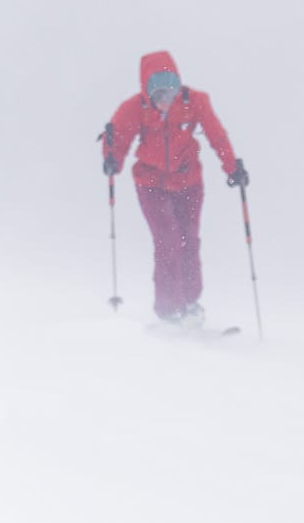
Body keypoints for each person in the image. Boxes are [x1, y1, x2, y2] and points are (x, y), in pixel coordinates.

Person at [103, 51, 247, 325]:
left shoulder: (195, 102)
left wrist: (232, 168)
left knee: (188, 241)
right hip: (151, 184)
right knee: (168, 240)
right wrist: (112, 159)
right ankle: (169, 309)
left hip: (188, 182)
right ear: (148, 92)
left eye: (171, 91)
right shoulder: (135, 108)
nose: (166, 99)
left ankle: (190, 302)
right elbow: (117, 135)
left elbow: (217, 135)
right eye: (160, 93)